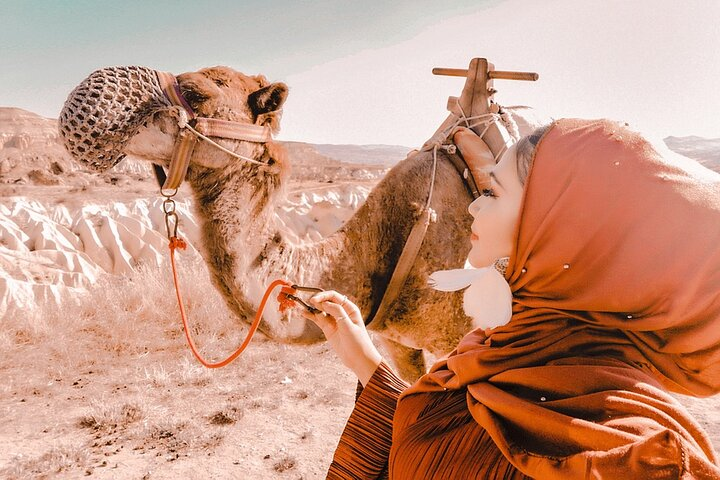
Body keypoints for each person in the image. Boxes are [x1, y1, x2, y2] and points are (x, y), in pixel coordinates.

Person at [301, 118, 720, 479]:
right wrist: (363, 359)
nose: (472, 208)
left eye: (494, 193)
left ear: (558, 231)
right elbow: (442, 440)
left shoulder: (635, 457)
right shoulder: (506, 351)